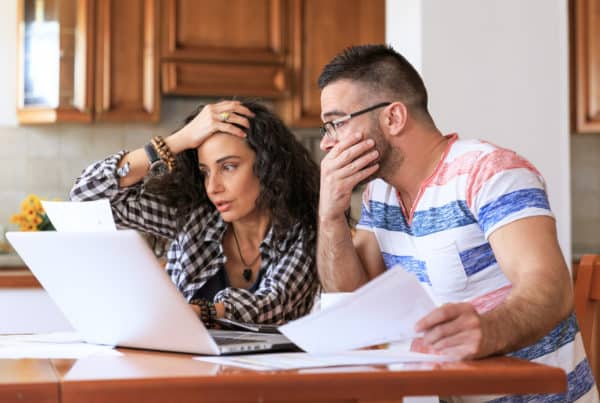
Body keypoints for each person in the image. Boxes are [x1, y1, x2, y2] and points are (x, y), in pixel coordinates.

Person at [316, 44, 597, 402]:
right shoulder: (380, 196)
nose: (327, 143)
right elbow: (354, 307)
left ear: (393, 118)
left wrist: (488, 331)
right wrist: (329, 216)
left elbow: (552, 289)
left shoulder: (491, 172)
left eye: (336, 123)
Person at [70, 100, 320, 326]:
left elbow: (273, 305)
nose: (213, 187)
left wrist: (199, 312)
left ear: (268, 166)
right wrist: (176, 142)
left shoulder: (305, 232)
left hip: (273, 375)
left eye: (228, 167)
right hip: (186, 371)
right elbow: (84, 197)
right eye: (205, 172)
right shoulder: (195, 219)